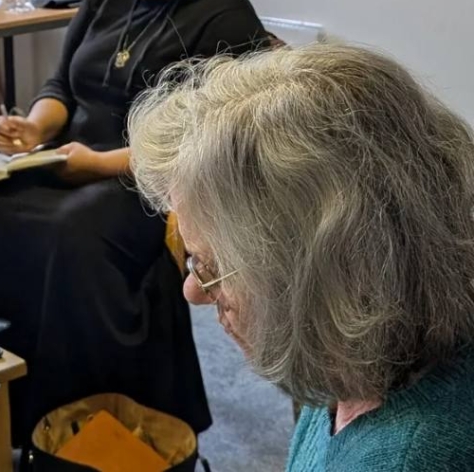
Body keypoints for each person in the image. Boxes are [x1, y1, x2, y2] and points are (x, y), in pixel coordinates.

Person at [0, 0, 268, 445]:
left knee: (72, 234)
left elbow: (202, 134)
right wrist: (30, 127)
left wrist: (97, 164)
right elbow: (61, 85)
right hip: (66, 158)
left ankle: (73, 421)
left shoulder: (225, 16)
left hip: (149, 180)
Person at [129, 44, 474, 472]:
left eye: (212, 267)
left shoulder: (406, 459)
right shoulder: (354, 349)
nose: (193, 291)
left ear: (320, 274)